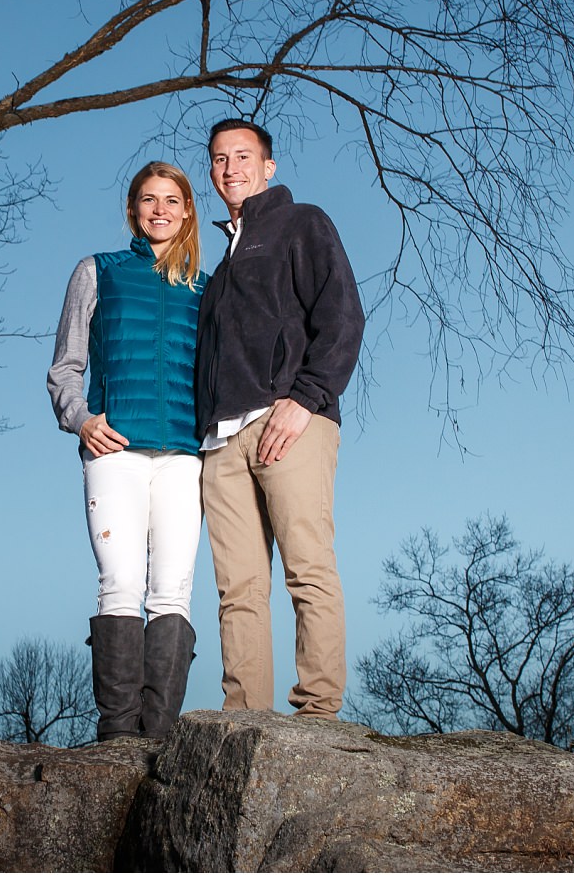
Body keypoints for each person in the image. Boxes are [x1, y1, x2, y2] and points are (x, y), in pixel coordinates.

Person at [195, 119, 363, 718]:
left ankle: (317, 715)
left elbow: (342, 315)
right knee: (237, 591)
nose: (231, 167)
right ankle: (244, 720)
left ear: (269, 166)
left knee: (307, 568)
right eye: (218, 159)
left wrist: (307, 397)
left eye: (243, 156)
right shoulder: (218, 272)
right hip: (221, 443)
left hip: (288, 421)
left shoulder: (302, 224)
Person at [47, 161, 206, 741]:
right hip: (115, 453)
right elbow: (66, 365)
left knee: (173, 589)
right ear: (133, 210)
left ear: (187, 210)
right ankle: (117, 740)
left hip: (185, 455)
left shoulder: (205, 288)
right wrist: (81, 419)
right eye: (148, 199)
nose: (159, 209)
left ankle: (157, 739)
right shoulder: (98, 272)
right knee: (120, 584)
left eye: (171, 200)